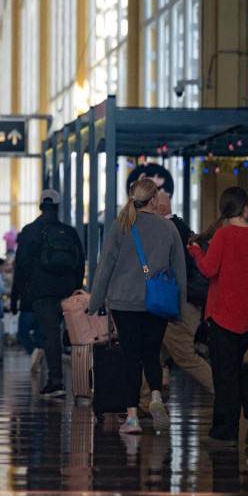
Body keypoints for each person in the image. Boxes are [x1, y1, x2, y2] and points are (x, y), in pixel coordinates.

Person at [87, 178, 187, 434]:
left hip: (125, 303)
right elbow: (180, 272)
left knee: (130, 358)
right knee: (151, 355)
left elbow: (105, 265)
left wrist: (94, 302)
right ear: (153, 200)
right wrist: (179, 311)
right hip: (158, 303)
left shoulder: (122, 224)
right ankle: (155, 396)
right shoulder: (169, 228)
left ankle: (131, 418)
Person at [188, 187, 248, 446]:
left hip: (225, 315)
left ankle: (224, 432)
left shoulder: (225, 235)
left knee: (224, 374)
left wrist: (195, 251)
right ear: (246, 209)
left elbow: (207, 269)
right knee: (232, 368)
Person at [137, 191, 214, 411]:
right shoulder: (183, 229)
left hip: (174, 307)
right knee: (153, 353)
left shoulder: (166, 232)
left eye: (149, 209)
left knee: (184, 355)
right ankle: (147, 403)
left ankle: (227, 393)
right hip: (182, 305)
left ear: (159, 209)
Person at [14, 189, 85, 396]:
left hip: (42, 291)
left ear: (40, 206)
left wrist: (21, 293)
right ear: (57, 207)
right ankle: (81, 380)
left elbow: (21, 264)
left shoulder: (29, 231)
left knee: (50, 334)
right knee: (68, 331)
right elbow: (79, 262)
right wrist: (76, 289)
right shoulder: (69, 232)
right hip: (66, 291)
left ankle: (56, 381)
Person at [9, 258, 45, 374]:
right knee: (39, 333)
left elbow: (15, 288)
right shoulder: (42, 265)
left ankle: (34, 352)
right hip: (41, 305)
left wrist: (13, 305)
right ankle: (38, 357)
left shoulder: (21, 268)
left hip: (27, 306)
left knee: (22, 333)